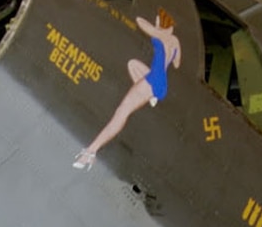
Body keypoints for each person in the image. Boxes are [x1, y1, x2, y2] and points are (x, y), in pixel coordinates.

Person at [73, 9, 182, 170]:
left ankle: (90, 152)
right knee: (133, 64)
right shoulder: (175, 42)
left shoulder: (161, 35)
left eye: (159, 21)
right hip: (160, 82)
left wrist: (156, 29)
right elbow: (177, 64)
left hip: (151, 82)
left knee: (121, 112)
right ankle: (152, 97)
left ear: (164, 25)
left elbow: (140, 21)